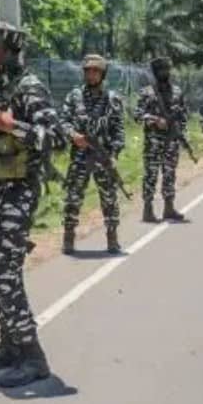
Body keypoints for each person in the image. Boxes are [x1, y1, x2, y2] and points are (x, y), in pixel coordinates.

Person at [0, 20, 59, 388]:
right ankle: (8, 345)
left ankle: (33, 356)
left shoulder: (29, 87)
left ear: (6, 51)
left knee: (7, 273)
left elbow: (54, 136)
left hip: (16, 194)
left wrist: (12, 127)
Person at [59, 54, 126, 255]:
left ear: (102, 74)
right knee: (73, 197)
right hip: (80, 156)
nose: (91, 74)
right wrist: (73, 135)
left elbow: (118, 130)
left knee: (109, 198)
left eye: (95, 71)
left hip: (103, 156)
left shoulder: (112, 99)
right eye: (88, 71)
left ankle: (112, 237)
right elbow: (63, 121)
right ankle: (68, 237)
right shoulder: (74, 96)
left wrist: (114, 154)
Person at [133, 57, 189, 223]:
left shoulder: (177, 92)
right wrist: (155, 120)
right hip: (153, 143)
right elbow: (137, 115)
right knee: (151, 175)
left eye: (167, 69)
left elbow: (184, 115)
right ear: (155, 72)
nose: (165, 73)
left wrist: (181, 132)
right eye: (161, 70)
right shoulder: (147, 93)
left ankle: (169, 208)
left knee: (169, 174)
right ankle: (148, 209)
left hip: (171, 142)